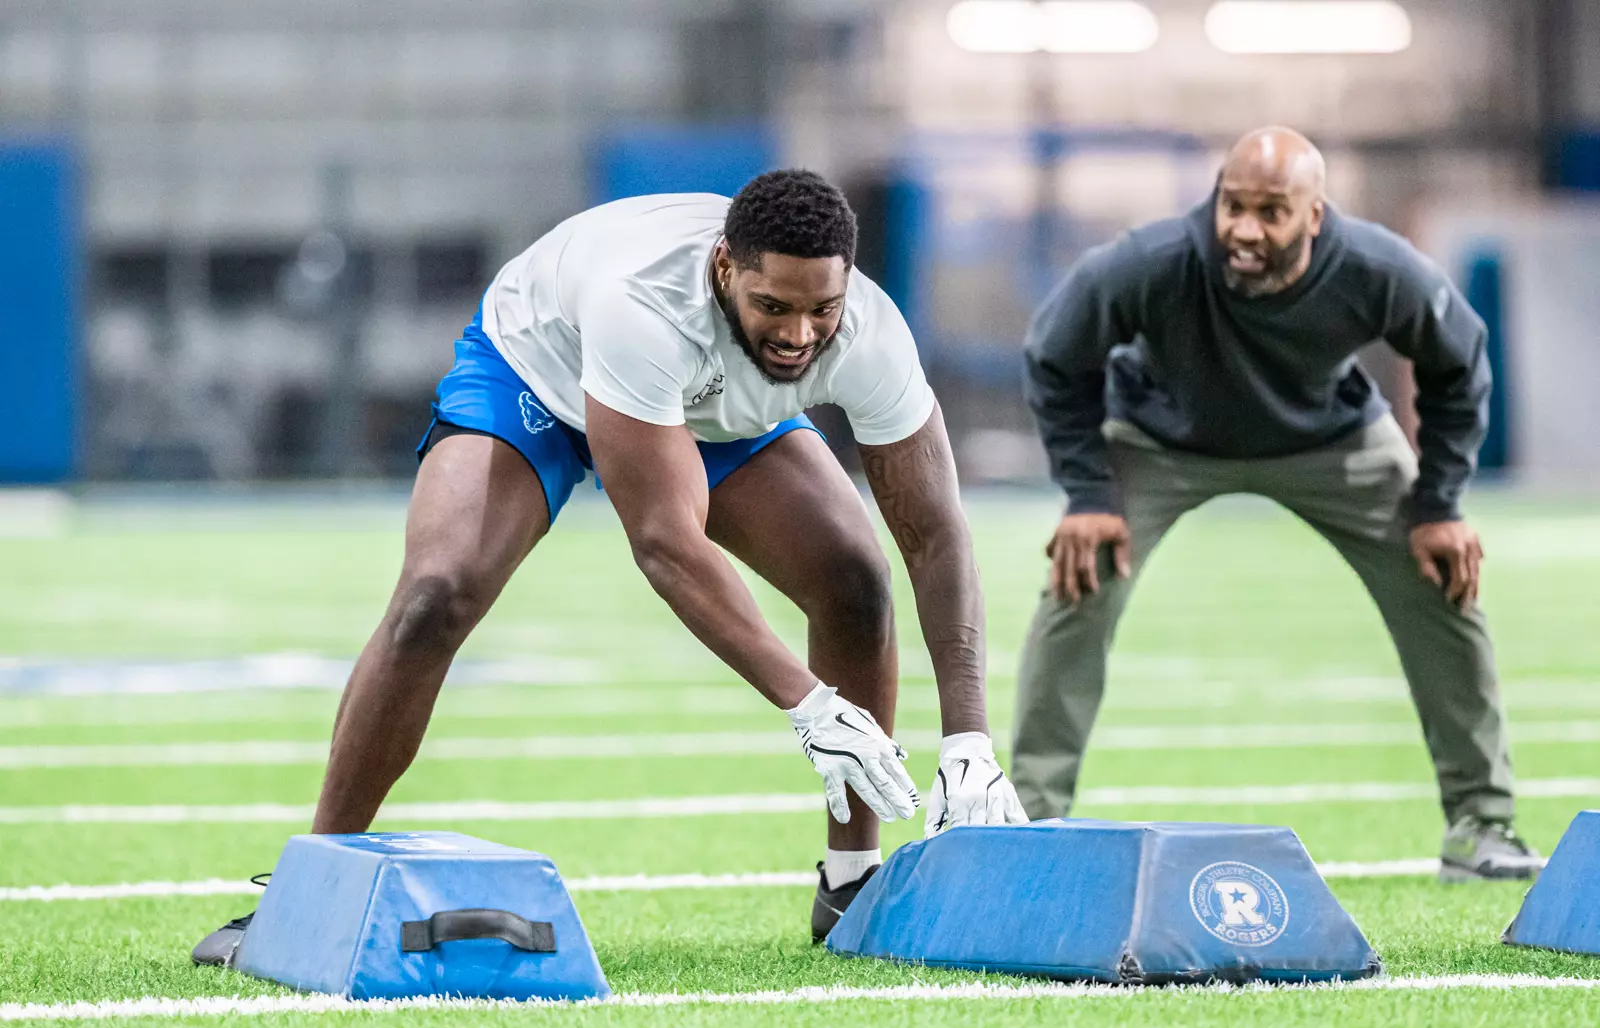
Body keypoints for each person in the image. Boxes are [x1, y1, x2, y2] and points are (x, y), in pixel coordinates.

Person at [193, 169, 1026, 966]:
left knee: (855, 576)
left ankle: (851, 883)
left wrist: (970, 738)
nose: (800, 336)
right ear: (723, 265)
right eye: (772, 306)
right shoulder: (645, 302)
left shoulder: (869, 332)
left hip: (703, 403)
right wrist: (806, 701)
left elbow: (934, 531)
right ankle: (304, 890)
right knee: (435, 596)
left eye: (821, 311)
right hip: (540, 373)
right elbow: (666, 540)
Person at [1012, 127, 1542, 882]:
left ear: (1316, 216)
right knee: (1078, 579)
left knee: (1444, 583)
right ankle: (1034, 824)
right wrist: (1088, 492)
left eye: (1271, 212)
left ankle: (1481, 825)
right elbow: (1053, 353)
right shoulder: (1152, 261)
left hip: (1333, 440)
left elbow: (1460, 361)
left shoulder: (1376, 268)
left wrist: (1441, 503)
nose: (1245, 230)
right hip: (1163, 437)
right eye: (1233, 206)